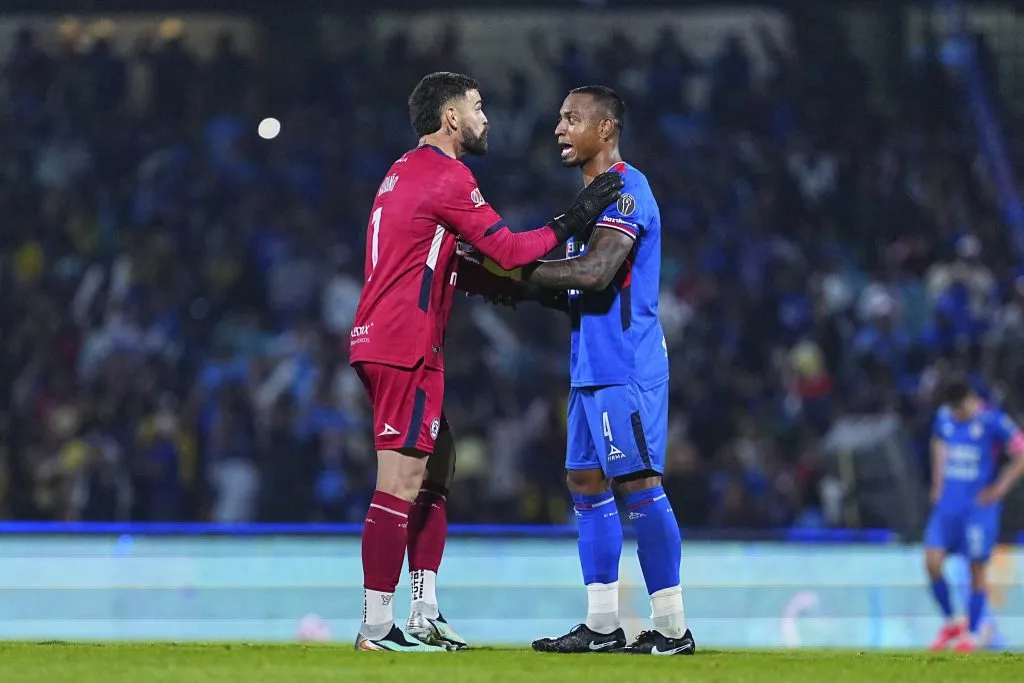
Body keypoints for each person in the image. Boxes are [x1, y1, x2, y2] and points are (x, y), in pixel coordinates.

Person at [350, 72, 624, 652]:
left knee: (435, 470)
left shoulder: (403, 171)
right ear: (451, 118)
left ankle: (423, 611)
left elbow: (451, 261)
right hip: (405, 343)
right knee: (399, 483)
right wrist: (574, 219)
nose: (486, 118)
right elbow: (507, 249)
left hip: (391, 338)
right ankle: (377, 627)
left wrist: (510, 290)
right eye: (478, 107)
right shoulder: (448, 176)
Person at [484, 85, 695, 655]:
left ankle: (672, 628)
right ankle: (602, 625)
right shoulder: (591, 203)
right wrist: (514, 290)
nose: (559, 128)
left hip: (625, 365)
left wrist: (518, 277)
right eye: (558, 118)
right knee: (584, 482)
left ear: (605, 130)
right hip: (588, 366)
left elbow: (598, 272)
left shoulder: (628, 189)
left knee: (638, 485)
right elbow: (578, 292)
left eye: (571, 118)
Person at [925, 377, 1024, 652]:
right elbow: (938, 442)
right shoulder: (944, 418)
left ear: (972, 401)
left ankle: (971, 632)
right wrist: (937, 482)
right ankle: (950, 623)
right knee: (932, 562)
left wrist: (999, 488)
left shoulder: (993, 421)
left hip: (978, 509)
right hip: (947, 506)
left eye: (960, 409)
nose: (956, 414)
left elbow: (1021, 452)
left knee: (976, 569)